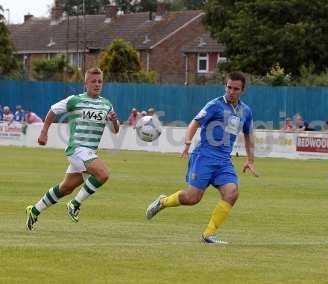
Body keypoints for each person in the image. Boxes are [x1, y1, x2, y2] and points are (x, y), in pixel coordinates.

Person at [145, 71, 258, 244]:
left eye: (236, 89)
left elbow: (248, 135)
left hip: (224, 161)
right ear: (225, 86)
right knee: (192, 198)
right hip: (204, 156)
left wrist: (250, 160)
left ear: (243, 90)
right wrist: (188, 141)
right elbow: (195, 122)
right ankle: (163, 201)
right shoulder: (215, 105)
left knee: (232, 193)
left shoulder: (246, 111)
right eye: (229, 87)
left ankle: (209, 234)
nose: (231, 91)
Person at [25, 67, 120, 231]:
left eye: (100, 81)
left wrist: (114, 121)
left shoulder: (106, 105)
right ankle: (74, 204)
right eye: (93, 81)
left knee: (66, 188)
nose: (97, 84)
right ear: (86, 83)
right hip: (77, 149)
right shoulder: (75, 100)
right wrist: (44, 132)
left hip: (88, 153)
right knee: (103, 173)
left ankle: (34, 210)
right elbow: (53, 110)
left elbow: (115, 130)